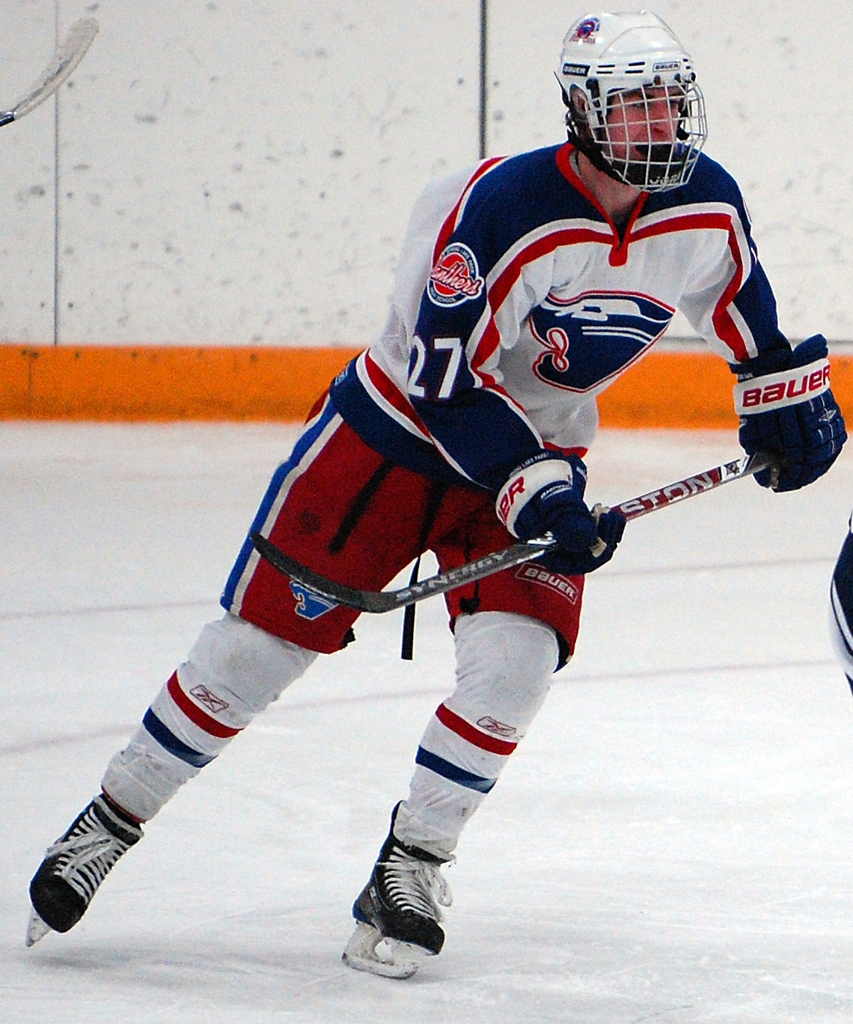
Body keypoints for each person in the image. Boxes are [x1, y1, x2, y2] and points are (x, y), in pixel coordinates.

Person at [27, 11, 846, 978]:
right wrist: (538, 493)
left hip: (535, 451)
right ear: (582, 113)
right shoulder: (503, 210)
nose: (658, 123)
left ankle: (409, 865)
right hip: (395, 442)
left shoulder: (704, 203)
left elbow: (745, 310)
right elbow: (444, 382)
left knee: (515, 670)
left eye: (668, 100)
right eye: (632, 106)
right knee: (252, 655)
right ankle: (112, 816)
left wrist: (784, 401)